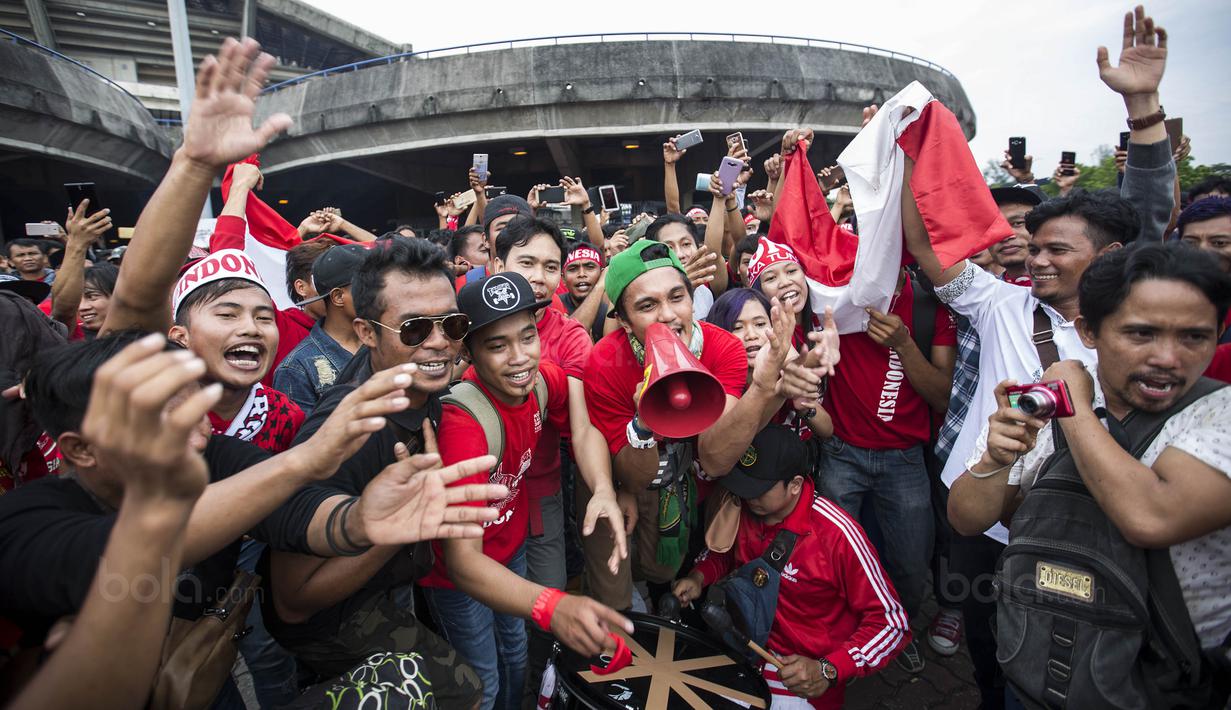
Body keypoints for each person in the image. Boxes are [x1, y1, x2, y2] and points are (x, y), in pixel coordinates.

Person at [947, 241, 1231, 707]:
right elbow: (965, 518)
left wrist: (1071, 403)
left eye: (1194, 337)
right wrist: (995, 462)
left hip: (1159, 688)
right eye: (1141, 334)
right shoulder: (1038, 401)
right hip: (1035, 664)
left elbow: (1150, 517)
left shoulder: (1217, 414)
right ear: (1089, 331)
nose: (1168, 357)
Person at [255, 237, 499, 703]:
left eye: (452, 324)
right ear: (367, 333)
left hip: (380, 589)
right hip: (328, 621)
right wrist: (396, 530)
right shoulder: (348, 435)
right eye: (412, 329)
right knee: (460, 690)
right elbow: (293, 601)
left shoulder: (411, 380)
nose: (438, 342)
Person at [422, 272, 631, 710]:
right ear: (469, 351)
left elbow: (583, 427)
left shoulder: (542, 382)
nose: (520, 358)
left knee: (516, 654)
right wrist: (551, 605)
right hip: (457, 578)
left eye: (527, 337)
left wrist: (604, 490)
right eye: (497, 346)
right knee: (481, 684)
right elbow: (463, 562)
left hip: (511, 550)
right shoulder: (463, 425)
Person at [582, 239, 810, 609]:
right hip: (621, 479)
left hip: (683, 479)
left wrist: (765, 386)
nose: (669, 315)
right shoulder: (604, 364)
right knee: (613, 570)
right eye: (647, 306)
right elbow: (634, 476)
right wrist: (644, 423)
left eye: (677, 297)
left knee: (661, 568)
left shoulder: (723, 348)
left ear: (692, 299)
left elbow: (716, 460)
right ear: (622, 321)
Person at [672, 425, 910, 709]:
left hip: (802, 679)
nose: (748, 496)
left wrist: (829, 669)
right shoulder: (745, 505)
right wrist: (700, 576)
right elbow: (725, 554)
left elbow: (892, 623)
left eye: (759, 489)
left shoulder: (838, 535)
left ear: (795, 484)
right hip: (742, 655)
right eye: (745, 485)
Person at [169, 249, 305, 454]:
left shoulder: (287, 416)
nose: (251, 328)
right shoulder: (154, 413)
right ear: (181, 337)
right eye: (227, 315)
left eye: (264, 318)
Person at [706, 288, 834, 441]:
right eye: (737, 327)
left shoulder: (785, 367)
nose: (751, 335)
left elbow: (827, 430)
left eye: (760, 324)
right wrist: (779, 394)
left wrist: (805, 408)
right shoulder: (715, 387)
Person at [274, 243, 367, 414]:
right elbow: (307, 439)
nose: (378, 295)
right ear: (338, 297)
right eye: (367, 287)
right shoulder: (297, 368)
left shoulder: (387, 342)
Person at [645, 213, 725, 319]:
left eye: (686, 244)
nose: (680, 255)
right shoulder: (646, 297)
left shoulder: (705, 293)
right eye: (669, 248)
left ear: (698, 246)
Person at [988, 186, 1043, 286]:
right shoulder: (980, 298)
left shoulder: (1076, 290)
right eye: (993, 226)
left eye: (1018, 223)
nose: (1005, 235)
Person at [558, 240, 608, 341]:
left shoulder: (610, 312)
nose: (581, 274)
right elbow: (567, 339)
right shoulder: (553, 306)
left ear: (602, 274)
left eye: (590, 267)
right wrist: (599, 287)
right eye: (573, 269)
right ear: (563, 279)